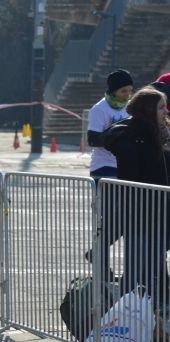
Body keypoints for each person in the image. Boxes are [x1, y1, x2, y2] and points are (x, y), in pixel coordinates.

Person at [103, 87, 170, 312]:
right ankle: (119, 316)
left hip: (160, 209)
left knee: (155, 265)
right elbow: (113, 137)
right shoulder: (132, 134)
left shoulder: (161, 133)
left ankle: (157, 311)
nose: (165, 111)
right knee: (137, 267)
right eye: (161, 107)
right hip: (140, 209)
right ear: (148, 109)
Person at [85, 69, 134, 278]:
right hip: (103, 169)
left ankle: (96, 254)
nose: (127, 95)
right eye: (124, 91)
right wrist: (116, 135)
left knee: (123, 219)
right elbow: (93, 139)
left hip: (124, 168)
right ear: (113, 91)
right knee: (113, 219)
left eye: (130, 91)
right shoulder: (100, 109)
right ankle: (100, 262)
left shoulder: (130, 108)